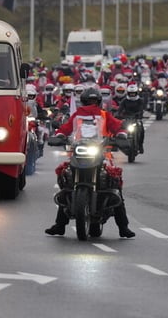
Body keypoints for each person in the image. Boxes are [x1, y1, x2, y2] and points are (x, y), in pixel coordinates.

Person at [44, 87, 136, 239]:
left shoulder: (105, 115)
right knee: (67, 182)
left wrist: (121, 136)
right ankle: (60, 225)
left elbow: (117, 127)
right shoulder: (77, 116)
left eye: (94, 101)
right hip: (79, 152)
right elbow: (65, 129)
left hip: (102, 154)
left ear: (99, 102)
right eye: (89, 101)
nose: (91, 104)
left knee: (115, 185)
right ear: (84, 101)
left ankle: (123, 226)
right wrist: (59, 135)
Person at [118, 83, 146, 154]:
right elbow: (120, 109)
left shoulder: (140, 100)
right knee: (121, 129)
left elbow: (142, 109)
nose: (132, 95)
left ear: (136, 93)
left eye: (134, 93)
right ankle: (123, 144)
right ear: (128, 93)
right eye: (131, 93)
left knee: (141, 129)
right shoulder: (124, 100)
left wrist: (140, 115)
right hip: (127, 118)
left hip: (136, 118)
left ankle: (140, 145)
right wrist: (119, 115)